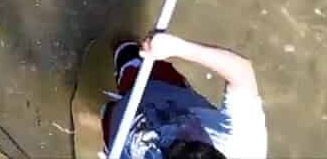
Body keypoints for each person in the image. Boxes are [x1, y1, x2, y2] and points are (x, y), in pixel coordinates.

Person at [101, 31, 269, 159]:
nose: (184, 128)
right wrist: (179, 48)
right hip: (160, 87)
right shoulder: (244, 147)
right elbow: (242, 73)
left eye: (176, 143)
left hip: (122, 141)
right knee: (126, 48)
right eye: (195, 140)